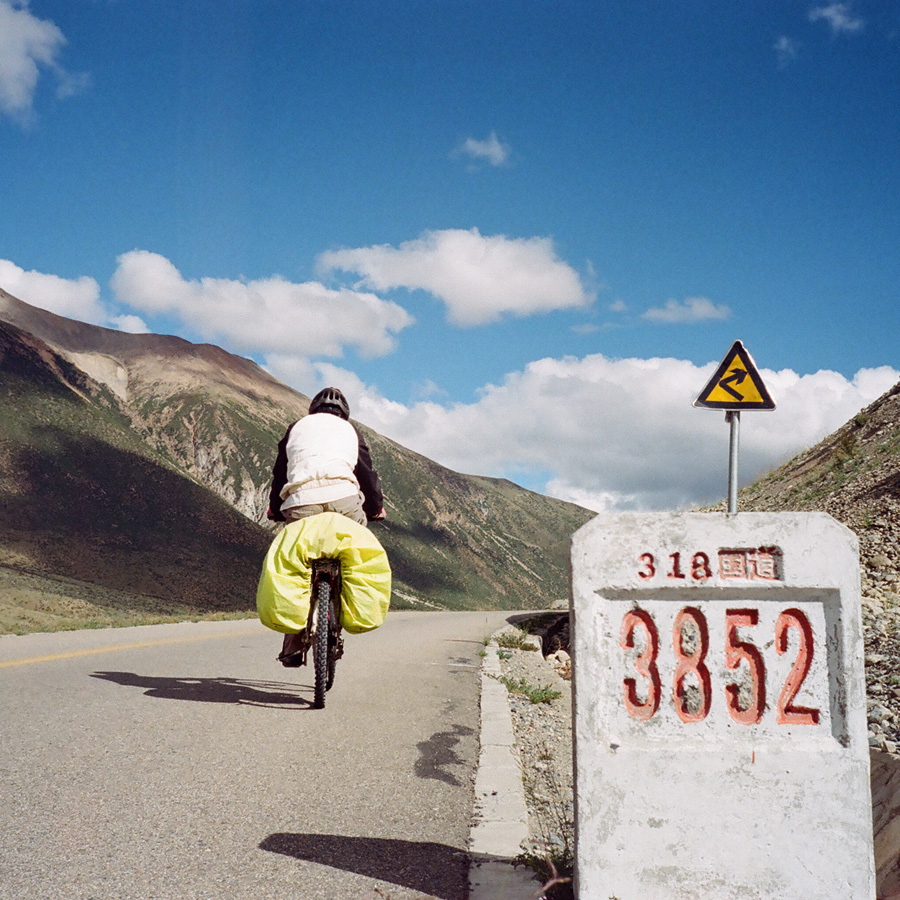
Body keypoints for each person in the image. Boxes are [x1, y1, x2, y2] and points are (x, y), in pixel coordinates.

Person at [267, 386, 385, 526]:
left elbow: (281, 472)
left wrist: (275, 508)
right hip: (344, 499)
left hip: (302, 501)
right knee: (355, 543)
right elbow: (367, 474)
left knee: (298, 544)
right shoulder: (351, 430)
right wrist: (375, 509)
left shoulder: (296, 427)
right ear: (344, 413)